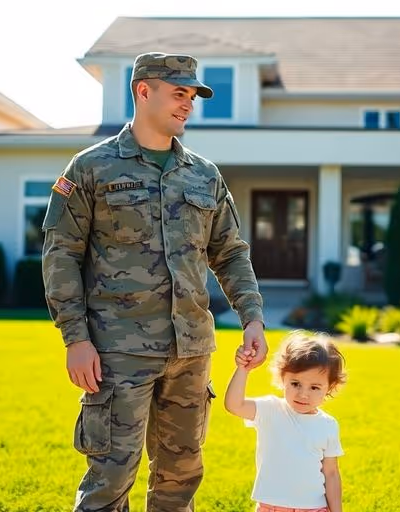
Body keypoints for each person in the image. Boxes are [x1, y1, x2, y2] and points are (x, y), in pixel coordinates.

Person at [41, 51, 267, 512]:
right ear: (143, 91)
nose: (187, 104)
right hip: (117, 351)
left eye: (192, 96)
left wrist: (253, 317)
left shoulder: (204, 174)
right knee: (110, 477)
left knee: (180, 478)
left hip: (191, 351)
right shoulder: (91, 168)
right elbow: (60, 254)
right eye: (178, 94)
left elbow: (229, 252)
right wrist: (75, 338)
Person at [224, 331, 346, 512]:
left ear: (330, 387)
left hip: (314, 508)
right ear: (282, 378)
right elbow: (234, 405)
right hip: (272, 507)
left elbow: (331, 473)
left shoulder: (328, 425)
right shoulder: (270, 409)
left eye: (314, 387)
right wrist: (244, 369)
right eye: (295, 384)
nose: (303, 394)